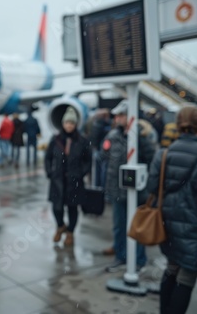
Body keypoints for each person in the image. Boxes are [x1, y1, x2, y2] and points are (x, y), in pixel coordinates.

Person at [146, 106, 197, 314]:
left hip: (168, 224)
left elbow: (152, 188)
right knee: (186, 278)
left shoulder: (163, 154)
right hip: (196, 228)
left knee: (171, 269)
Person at [99, 99, 155, 272]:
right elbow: (103, 156)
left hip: (136, 192)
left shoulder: (141, 136)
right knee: (119, 226)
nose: (117, 118)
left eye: (121, 115)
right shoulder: (112, 135)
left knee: (136, 227)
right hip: (117, 190)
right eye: (116, 115)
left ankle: (139, 260)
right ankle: (121, 257)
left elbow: (152, 159)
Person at [45, 107, 91, 246]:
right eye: (66, 123)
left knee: (72, 208)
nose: (69, 126)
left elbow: (88, 160)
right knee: (56, 208)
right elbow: (48, 157)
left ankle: (70, 232)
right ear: (63, 124)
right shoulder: (56, 139)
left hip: (74, 180)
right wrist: (50, 172)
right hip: (57, 179)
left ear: (75, 125)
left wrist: (81, 173)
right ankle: (60, 226)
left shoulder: (82, 141)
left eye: (71, 123)